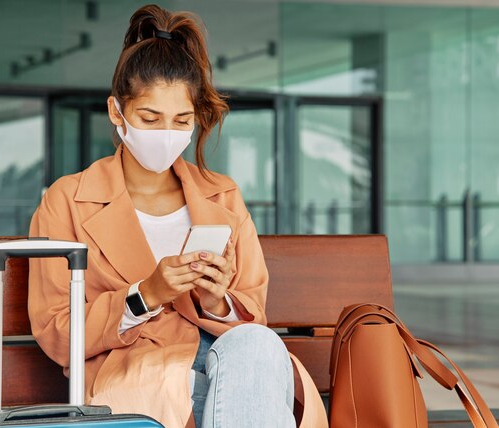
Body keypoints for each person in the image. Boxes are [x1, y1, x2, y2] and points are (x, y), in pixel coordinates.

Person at [28, 4, 322, 428]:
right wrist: (145, 294)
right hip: (138, 372)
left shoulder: (222, 194)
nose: (167, 134)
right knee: (230, 398)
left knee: (257, 346)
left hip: (232, 360)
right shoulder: (68, 200)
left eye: (181, 120)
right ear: (117, 113)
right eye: (150, 118)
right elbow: (56, 330)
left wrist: (216, 300)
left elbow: (252, 313)